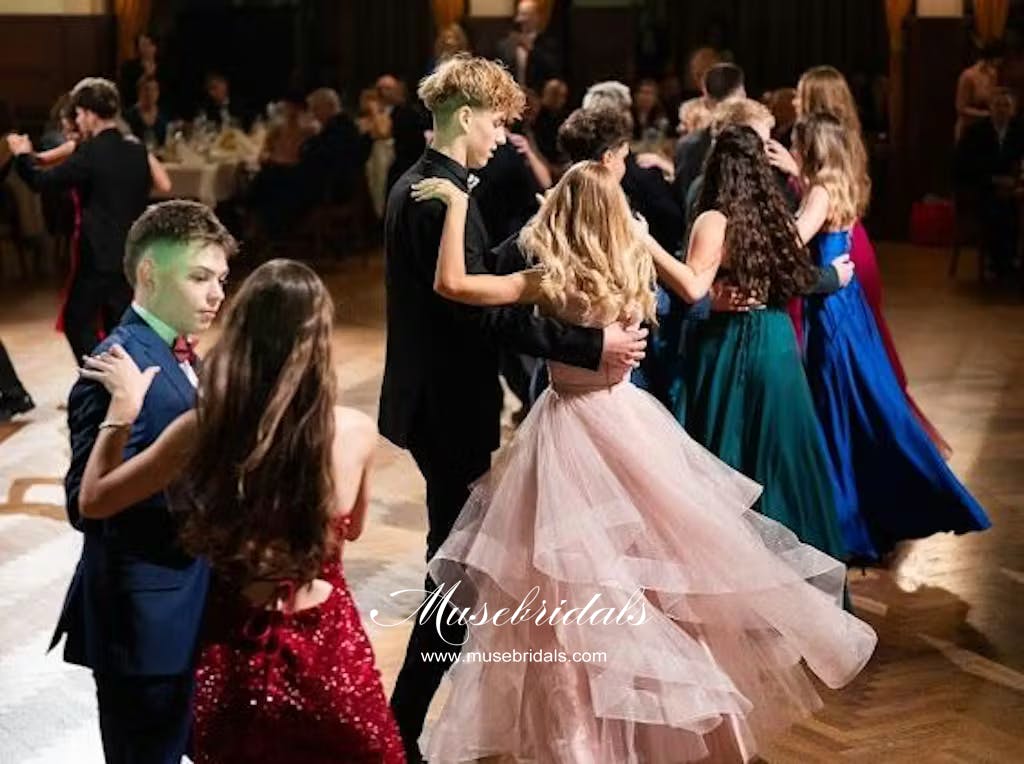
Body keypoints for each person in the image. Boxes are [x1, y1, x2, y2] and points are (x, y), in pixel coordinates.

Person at [409, 158, 876, 762]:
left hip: (567, 430)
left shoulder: (550, 280)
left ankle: (584, 739)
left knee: (570, 591)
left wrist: (456, 208)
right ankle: (671, 726)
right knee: (656, 578)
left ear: (561, 213)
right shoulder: (631, 269)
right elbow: (683, 302)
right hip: (629, 423)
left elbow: (453, 285)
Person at [378, 55, 646, 762]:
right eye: (496, 123)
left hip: (436, 401)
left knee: (461, 567)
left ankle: (404, 724)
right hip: (446, 407)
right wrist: (589, 343)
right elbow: (480, 314)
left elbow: (477, 275)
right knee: (456, 572)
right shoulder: (435, 198)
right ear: (466, 117)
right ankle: (400, 728)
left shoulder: (426, 184)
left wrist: (535, 236)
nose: (500, 138)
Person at [76, 257, 405, 764]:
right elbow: (353, 529)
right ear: (319, 342)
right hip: (327, 647)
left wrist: (122, 413)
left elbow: (95, 499)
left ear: (242, 335)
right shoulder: (355, 431)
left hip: (234, 650)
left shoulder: (203, 428)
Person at [51, 200, 235, 764]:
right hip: (143, 623)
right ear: (150, 274)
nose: (216, 294)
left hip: (186, 602)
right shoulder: (116, 365)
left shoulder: (179, 352)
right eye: (199, 278)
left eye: (221, 279)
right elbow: (85, 503)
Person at [793, 113, 991, 561]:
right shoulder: (842, 184)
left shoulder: (820, 191)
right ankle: (863, 512)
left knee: (835, 401)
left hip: (831, 311)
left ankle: (846, 521)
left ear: (812, 148)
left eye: (797, 143)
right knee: (852, 401)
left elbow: (791, 241)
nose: (793, 149)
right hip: (848, 308)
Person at [783, 64, 952, 458]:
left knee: (833, 370)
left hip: (831, 281)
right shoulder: (838, 174)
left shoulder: (819, 190)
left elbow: (793, 240)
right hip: (846, 272)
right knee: (855, 366)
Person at [8, 78, 154, 363]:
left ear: (88, 114)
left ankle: (100, 378)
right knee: (118, 326)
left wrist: (22, 156)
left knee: (77, 321)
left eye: (78, 114)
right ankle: (118, 381)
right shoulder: (137, 150)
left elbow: (40, 182)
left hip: (99, 255)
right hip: (133, 253)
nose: (77, 120)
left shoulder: (92, 151)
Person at [496, 0, 562, 91]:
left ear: (537, 17)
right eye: (519, 14)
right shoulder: (505, 44)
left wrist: (532, 50)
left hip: (537, 94)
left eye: (525, 15)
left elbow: (554, 71)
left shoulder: (548, 43)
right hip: (510, 93)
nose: (520, 19)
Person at [955, 42, 1003, 142]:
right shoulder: (969, 76)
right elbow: (961, 108)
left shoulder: (993, 74)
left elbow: (990, 98)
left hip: (985, 129)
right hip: (968, 129)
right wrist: (986, 114)